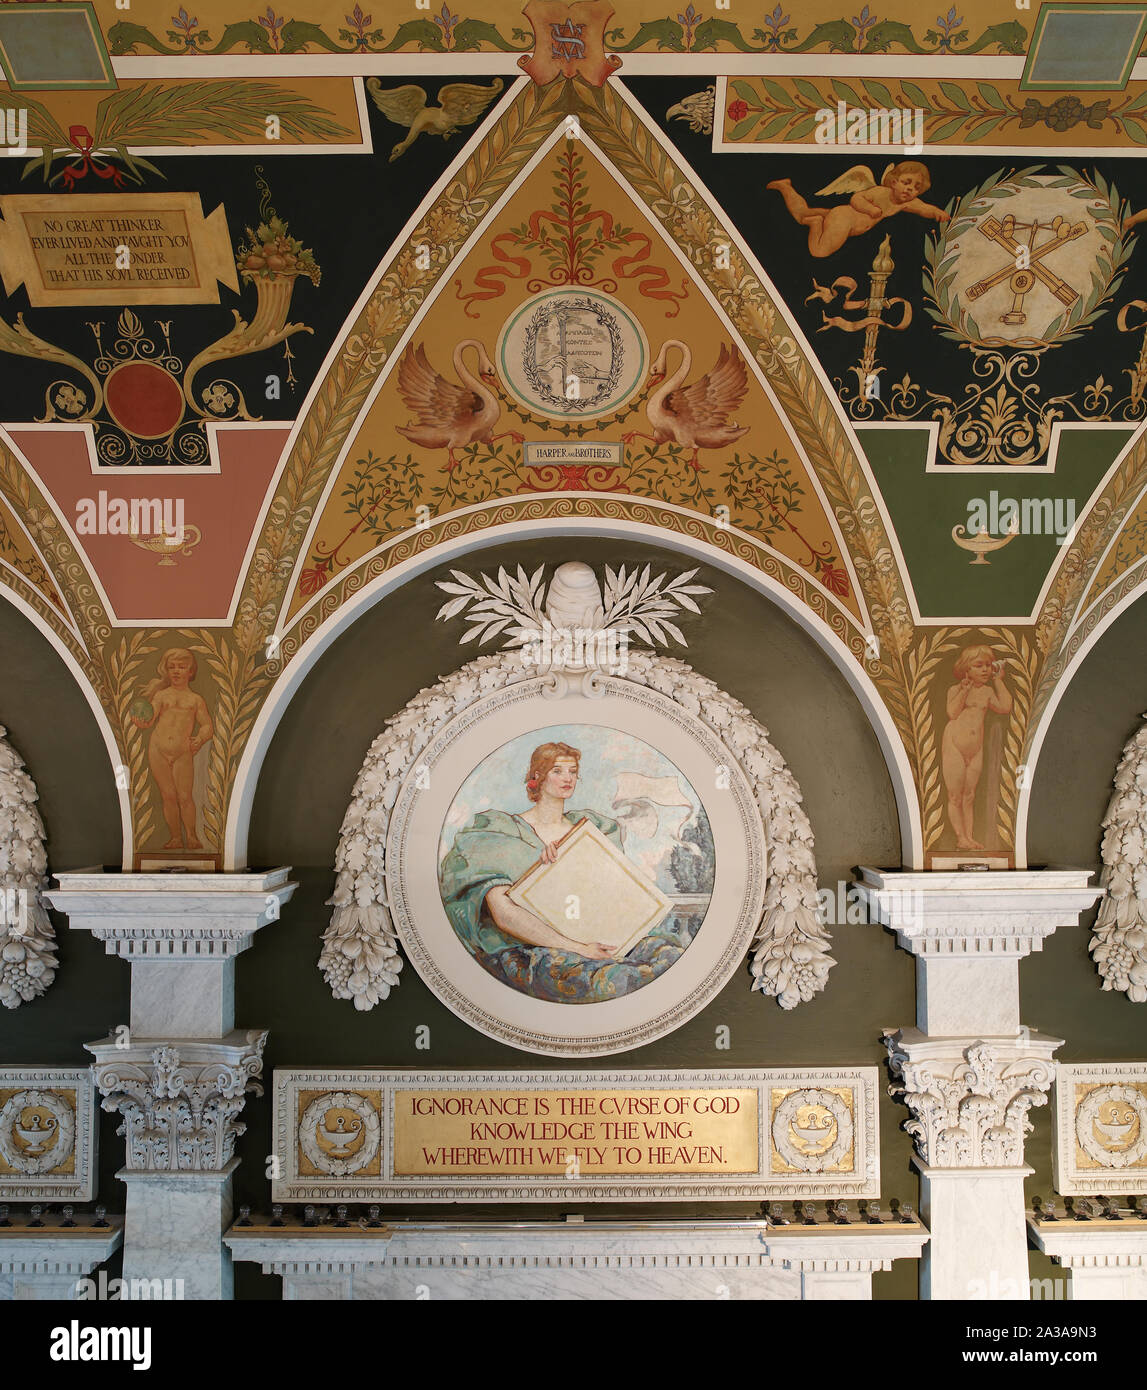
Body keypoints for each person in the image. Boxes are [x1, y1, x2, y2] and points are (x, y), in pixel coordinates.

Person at [439, 741, 694, 1003]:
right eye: (557, 771)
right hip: (541, 949)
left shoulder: (593, 828)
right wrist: (579, 948)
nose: (568, 778)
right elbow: (504, 915)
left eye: (573, 771)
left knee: (668, 956)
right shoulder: (499, 831)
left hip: (600, 936)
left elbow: (611, 895)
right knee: (616, 979)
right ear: (536, 776)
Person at [768, 161, 949, 258]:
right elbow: (856, 198)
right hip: (844, 219)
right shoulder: (881, 192)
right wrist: (870, 209)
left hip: (841, 217)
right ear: (894, 182)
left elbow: (924, 208)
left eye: (916, 187)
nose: (910, 189)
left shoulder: (907, 202)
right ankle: (816, 223)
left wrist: (938, 213)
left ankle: (785, 187)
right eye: (906, 182)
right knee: (818, 252)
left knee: (802, 215)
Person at [130, 648, 213, 851]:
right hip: (158, 749)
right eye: (172, 667)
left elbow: (207, 725)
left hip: (182, 752)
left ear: (191, 672)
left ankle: (191, 837)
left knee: (185, 797)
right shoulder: (161, 695)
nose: (176, 671)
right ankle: (176, 837)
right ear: (166, 671)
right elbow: (150, 719)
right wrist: (140, 722)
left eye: (181, 667)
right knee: (168, 796)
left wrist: (200, 739)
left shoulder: (195, 700)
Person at [941, 645, 1012, 851]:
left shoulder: (988, 691)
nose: (985, 670)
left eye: (988, 666)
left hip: (975, 749)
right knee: (955, 795)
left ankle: (969, 837)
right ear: (966, 669)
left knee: (969, 795)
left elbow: (1005, 707)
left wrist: (999, 681)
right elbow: (952, 713)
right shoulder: (955, 689)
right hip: (954, 745)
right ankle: (960, 837)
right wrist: (964, 690)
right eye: (978, 665)